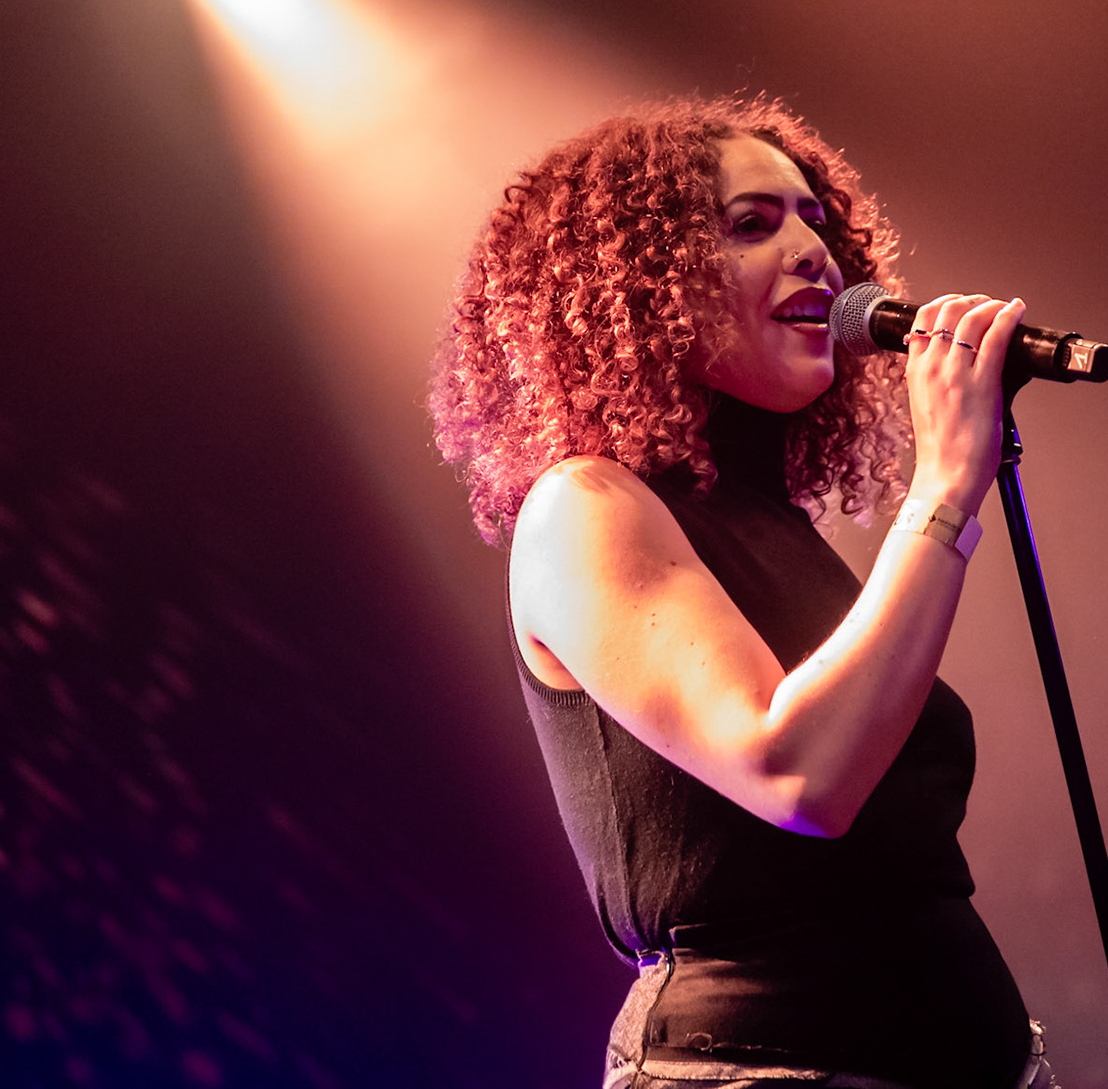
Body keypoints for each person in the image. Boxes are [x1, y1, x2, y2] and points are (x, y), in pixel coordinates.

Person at [429, 96, 1053, 1089]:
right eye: (753, 224)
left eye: (816, 220)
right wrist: (943, 489)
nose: (815, 253)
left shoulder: (774, 526)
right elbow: (796, 773)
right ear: (643, 284)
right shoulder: (584, 507)